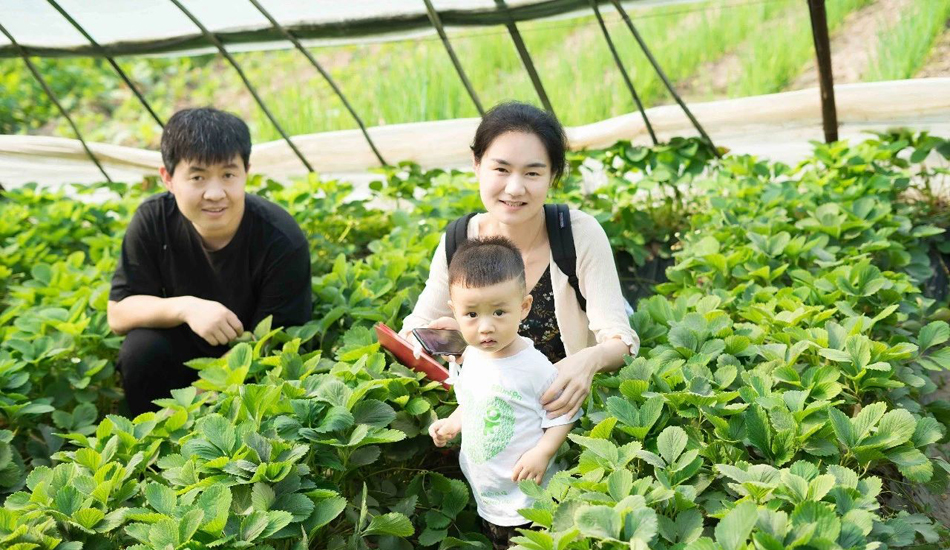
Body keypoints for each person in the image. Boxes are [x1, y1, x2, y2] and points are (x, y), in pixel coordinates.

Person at [401, 101, 639, 421]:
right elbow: (415, 328)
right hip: (491, 412)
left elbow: (621, 339)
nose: (514, 189)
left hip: (564, 414)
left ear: (553, 176)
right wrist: (460, 339)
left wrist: (587, 361)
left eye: (532, 173)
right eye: (501, 169)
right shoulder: (460, 239)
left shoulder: (578, 235)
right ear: (476, 164)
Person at [107, 107, 312, 414]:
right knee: (140, 350)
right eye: (198, 177)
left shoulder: (281, 238)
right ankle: (144, 434)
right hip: (180, 354)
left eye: (228, 175)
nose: (215, 193)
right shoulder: (153, 220)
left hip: (248, 371)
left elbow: (274, 341)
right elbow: (118, 313)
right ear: (168, 178)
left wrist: (186, 408)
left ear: (246, 172)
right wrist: (187, 307)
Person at [428, 237, 581, 549]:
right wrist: (452, 423)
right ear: (455, 311)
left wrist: (543, 452)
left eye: (499, 312)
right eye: (472, 315)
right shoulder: (471, 356)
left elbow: (565, 414)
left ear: (523, 307)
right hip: (489, 492)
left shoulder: (534, 367)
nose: (485, 327)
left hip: (529, 495)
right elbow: (473, 400)